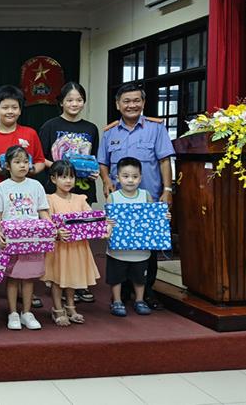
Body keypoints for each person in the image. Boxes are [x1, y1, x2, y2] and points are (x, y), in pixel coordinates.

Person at [98, 82, 175, 309]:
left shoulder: (156, 128)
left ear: (143, 102)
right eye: (126, 101)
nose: (131, 105)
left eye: (136, 100)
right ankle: (121, 292)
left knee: (147, 245)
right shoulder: (110, 132)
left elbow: (164, 160)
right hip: (120, 200)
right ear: (117, 104)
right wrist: (106, 181)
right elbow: (103, 162)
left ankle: (147, 292)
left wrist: (167, 190)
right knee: (119, 244)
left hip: (148, 198)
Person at [0, 85, 46, 310]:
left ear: (20, 110)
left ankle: (25, 289)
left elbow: (40, 161)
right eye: (5, 107)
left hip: (25, 202)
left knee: (25, 249)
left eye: (14, 107)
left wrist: (29, 170)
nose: (10, 111)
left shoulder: (30, 133)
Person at [38, 82, 100, 304]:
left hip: (82, 190)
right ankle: (57, 281)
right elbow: (40, 157)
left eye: (79, 100)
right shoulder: (50, 126)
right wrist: (62, 169)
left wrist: (93, 171)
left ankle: (78, 283)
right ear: (61, 102)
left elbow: (94, 157)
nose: (75, 104)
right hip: (56, 191)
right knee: (59, 239)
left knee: (80, 239)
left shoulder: (91, 128)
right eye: (70, 100)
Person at [0, 145, 51, 331]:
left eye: (26, 162)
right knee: (12, 277)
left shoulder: (36, 185)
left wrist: (50, 228)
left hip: (32, 240)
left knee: (28, 277)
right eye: (17, 162)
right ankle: (13, 313)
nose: (23, 165)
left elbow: (43, 211)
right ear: (7, 166)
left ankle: (26, 312)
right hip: (10, 240)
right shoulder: (2, 187)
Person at [104, 157, 170, 317]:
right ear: (117, 177)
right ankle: (117, 301)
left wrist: (164, 217)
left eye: (134, 176)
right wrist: (107, 223)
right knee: (116, 277)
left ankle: (140, 300)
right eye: (125, 176)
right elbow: (106, 220)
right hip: (117, 251)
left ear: (140, 178)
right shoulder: (113, 197)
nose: (130, 180)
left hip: (141, 251)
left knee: (140, 278)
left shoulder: (145, 195)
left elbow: (153, 218)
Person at [40, 160, 101, 327]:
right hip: (59, 247)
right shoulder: (49, 200)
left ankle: (71, 307)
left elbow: (91, 218)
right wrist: (57, 232)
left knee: (72, 277)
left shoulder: (80, 199)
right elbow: (47, 223)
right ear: (53, 179)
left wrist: (104, 223)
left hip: (77, 246)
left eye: (71, 177)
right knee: (57, 279)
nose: (68, 181)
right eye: (63, 177)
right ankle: (57, 309)